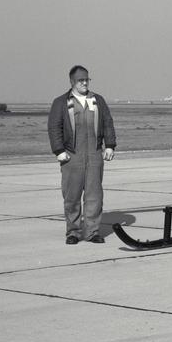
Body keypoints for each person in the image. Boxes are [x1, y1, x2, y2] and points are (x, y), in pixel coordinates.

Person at [48, 65, 116, 244]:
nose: (85, 82)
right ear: (72, 82)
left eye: (87, 79)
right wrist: (59, 151)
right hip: (71, 155)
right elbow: (54, 127)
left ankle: (92, 232)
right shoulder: (60, 102)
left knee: (94, 196)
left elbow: (108, 123)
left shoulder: (98, 100)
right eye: (80, 80)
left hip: (94, 154)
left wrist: (110, 145)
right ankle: (73, 232)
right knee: (72, 196)